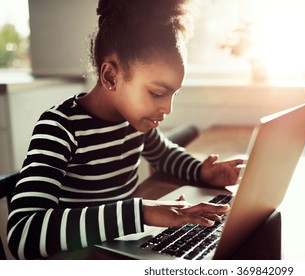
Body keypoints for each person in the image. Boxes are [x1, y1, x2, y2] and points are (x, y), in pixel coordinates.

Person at [7, 0, 243, 260]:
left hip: (116, 248)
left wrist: (201, 171)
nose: (167, 108)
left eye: (173, 94)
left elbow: (164, 154)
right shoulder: (61, 127)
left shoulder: (133, 122)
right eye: (157, 93)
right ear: (110, 77)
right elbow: (22, 236)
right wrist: (141, 213)